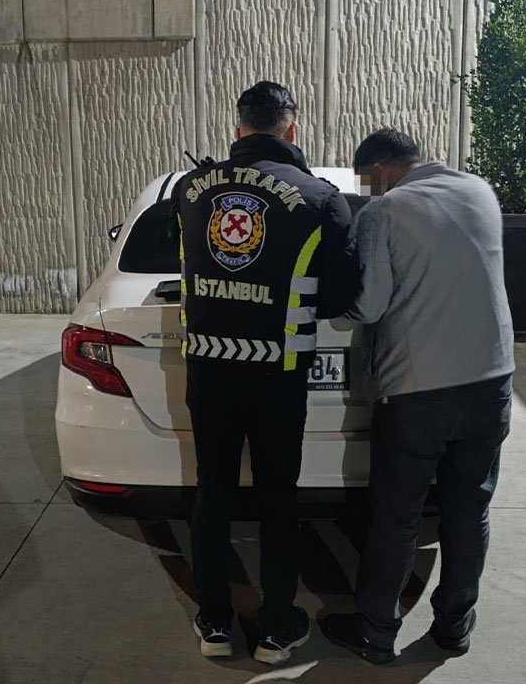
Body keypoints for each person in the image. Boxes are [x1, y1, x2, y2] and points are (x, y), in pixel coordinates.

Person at [171, 81, 357, 665]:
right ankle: (277, 628)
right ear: (291, 128)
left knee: (213, 492)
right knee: (278, 497)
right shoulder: (320, 198)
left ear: (239, 128)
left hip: (208, 367)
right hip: (279, 371)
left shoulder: (190, 189)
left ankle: (214, 623)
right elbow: (338, 298)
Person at [320, 128, 515, 664]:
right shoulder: (479, 190)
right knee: (468, 510)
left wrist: (334, 304)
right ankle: (454, 627)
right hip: (492, 381)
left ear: (380, 170)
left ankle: (375, 632)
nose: (368, 190)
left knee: (397, 517)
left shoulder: (385, 210)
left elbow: (370, 306)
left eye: (366, 181)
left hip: (418, 390)